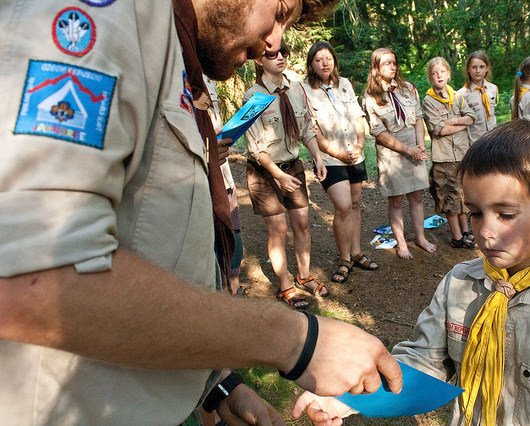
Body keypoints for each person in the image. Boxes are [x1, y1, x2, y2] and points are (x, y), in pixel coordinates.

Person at [0, 1, 403, 423]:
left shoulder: (174, 54)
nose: (276, 39)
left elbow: (153, 238)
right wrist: (294, 340)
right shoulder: (104, 17)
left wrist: (218, 382)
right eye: (281, 9)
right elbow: (30, 279)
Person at [293, 120, 530, 426]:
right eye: (474, 213)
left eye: (505, 214)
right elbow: (424, 361)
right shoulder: (460, 285)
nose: (485, 232)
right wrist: (348, 398)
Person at [244, 41, 329, 309]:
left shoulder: (296, 88)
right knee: (279, 229)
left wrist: (317, 156)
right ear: (259, 60)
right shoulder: (253, 97)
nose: (279, 57)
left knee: (302, 223)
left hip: (292, 166)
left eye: (283, 52)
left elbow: (306, 127)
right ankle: (285, 286)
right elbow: (256, 146)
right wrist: (277, 176)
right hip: (264, 172)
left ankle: (304, 275)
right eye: (272, 54)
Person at [302, 41, 378, 284]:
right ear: (311, 65)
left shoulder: (343, 84)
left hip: (354, 154)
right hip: (330, 157)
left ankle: (356, 253)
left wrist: (358, 145)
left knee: (355, 205)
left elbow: (357, 117)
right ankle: (344, 258)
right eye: (318, 59)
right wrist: (337, 152)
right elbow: (311, 130)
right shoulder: (304, 89)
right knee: (343, 206)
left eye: (328, 58)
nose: (324, 63)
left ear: (334, 60)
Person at [363, 47, 437, 260]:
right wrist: (408, 150)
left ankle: (421, 238)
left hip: (414, 148)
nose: (392, 67)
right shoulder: (371, 96)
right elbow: (379, 133)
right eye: (387, 63)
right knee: (396, 201)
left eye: (394, 62)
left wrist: (420, 144)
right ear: (376, 67)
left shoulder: (408, 89)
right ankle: (401, 243)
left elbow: (418, 119)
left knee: (417, 196)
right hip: (392, 155)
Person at [422, 56, 476, 249]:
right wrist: (460, 122)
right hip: (444, 157)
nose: (439, 76)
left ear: (449, 74)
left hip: (462, 154)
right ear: (430, 77)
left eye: (442, 72)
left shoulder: (457, 95)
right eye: (435, 74)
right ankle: (457, 236)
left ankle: (466, 231)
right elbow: (439, 130)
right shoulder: (429, 100)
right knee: (450, 197)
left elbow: (471, 117)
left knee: (462, 194)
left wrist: (451, 121)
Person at [203, 75, 247, 296]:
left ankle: (233, 290)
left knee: (234, 239)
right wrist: (207, 153)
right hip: (201, 181)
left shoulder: (207, 80)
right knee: (211, 246)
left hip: (223, 176)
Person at [457, 50, 498, 143]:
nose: (478, 71)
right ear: (468, 69)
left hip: (494, 140)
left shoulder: (493, 89)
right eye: (474, 67)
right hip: (475, 142)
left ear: (487, 68)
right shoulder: (462, 94)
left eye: (482, 67)